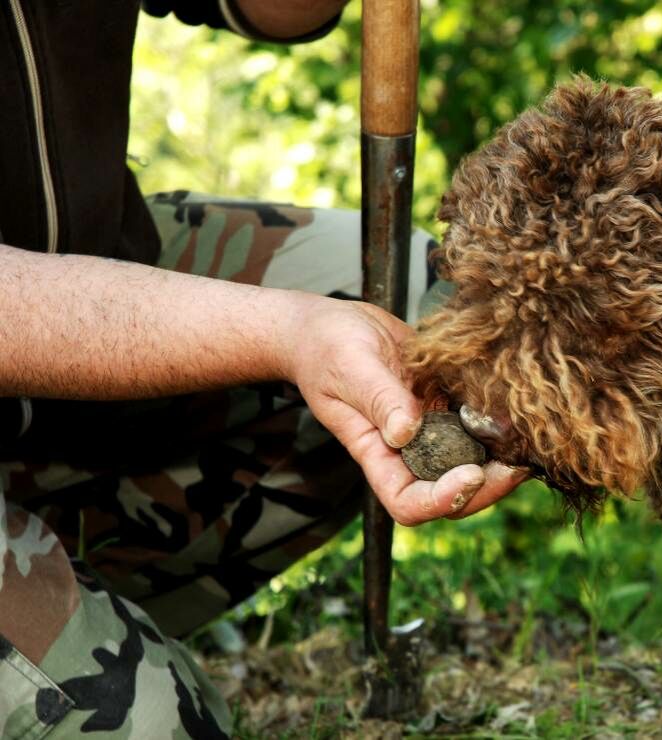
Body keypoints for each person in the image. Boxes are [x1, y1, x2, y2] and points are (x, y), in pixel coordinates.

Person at [0, 2, 524, 736]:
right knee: (148, 724)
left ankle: (70, 589)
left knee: (432, 319)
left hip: (76, 286)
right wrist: (286, 333)